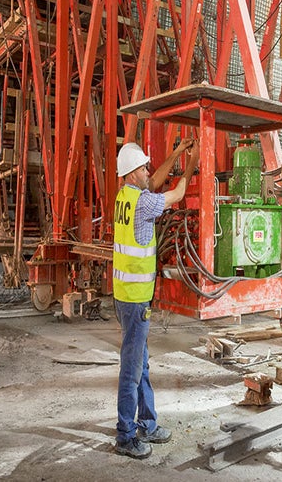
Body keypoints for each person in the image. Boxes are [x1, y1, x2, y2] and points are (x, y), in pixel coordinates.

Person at [113, 136, 199, 460]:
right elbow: (175, 194)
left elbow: (154, 182)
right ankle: (125, 435)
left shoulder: (126, 196)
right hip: (135, 300)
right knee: (131, 369)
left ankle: (147, 423)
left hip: (126, 297)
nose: (149, 169)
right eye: (144, 166)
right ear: (133, 172)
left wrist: (175, 152)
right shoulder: (143, 203)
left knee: (140, 364)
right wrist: (191, 162)